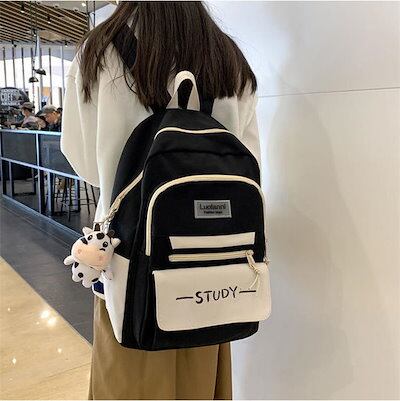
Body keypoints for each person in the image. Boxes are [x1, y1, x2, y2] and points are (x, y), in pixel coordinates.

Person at [61, 2, 261, 400]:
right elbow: (250, 162)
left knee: (128, 384)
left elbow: (83, 161)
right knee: (200, 385)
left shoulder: (100, 52)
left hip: (126, 267)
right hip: (212, 272)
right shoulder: (229, 59)